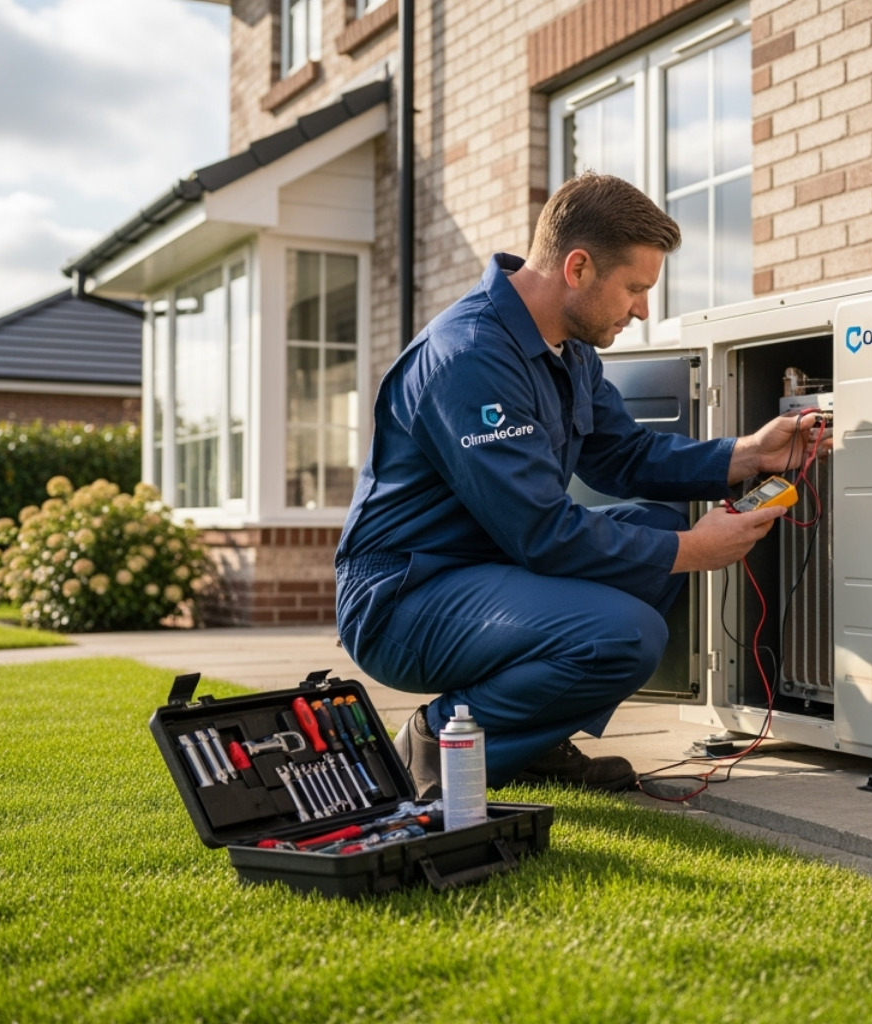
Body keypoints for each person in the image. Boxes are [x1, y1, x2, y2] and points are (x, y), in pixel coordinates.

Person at [334, 172, 827, 798]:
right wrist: (693, 553)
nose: (644, 309)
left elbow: (621, 455)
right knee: (625, 635)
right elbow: (542, 532)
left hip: (487, 569)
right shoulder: (470, 359)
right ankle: (438, 745)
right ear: (577, 268)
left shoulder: (567, 348)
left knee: (657, 527)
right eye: (635, 288)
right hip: (404, 597)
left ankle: (533, 739)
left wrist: (747, 455)